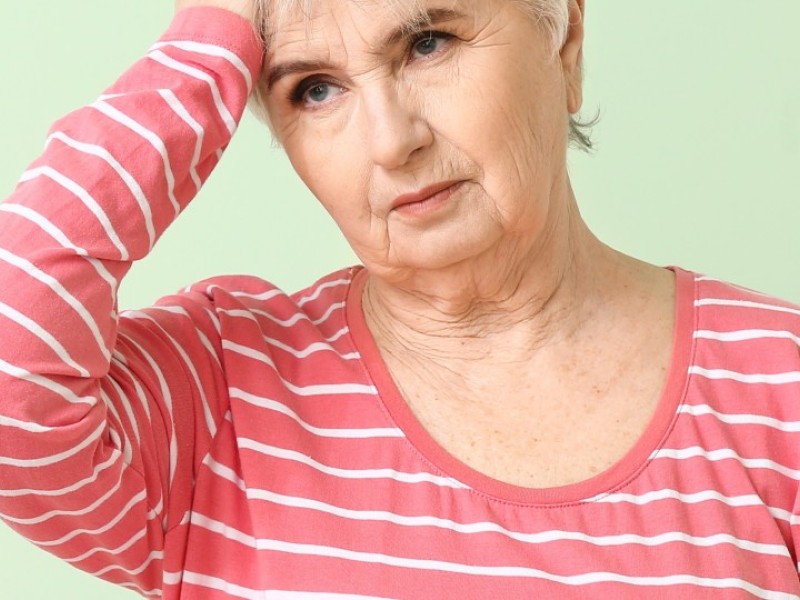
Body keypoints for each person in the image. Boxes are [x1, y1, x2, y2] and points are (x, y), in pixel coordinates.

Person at [0, 0, 799, 598]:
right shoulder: (217, 399)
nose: (392, 141)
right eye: (314, 90)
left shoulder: (780, 387)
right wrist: (216, 35)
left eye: (428, 42)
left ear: (567, 44)